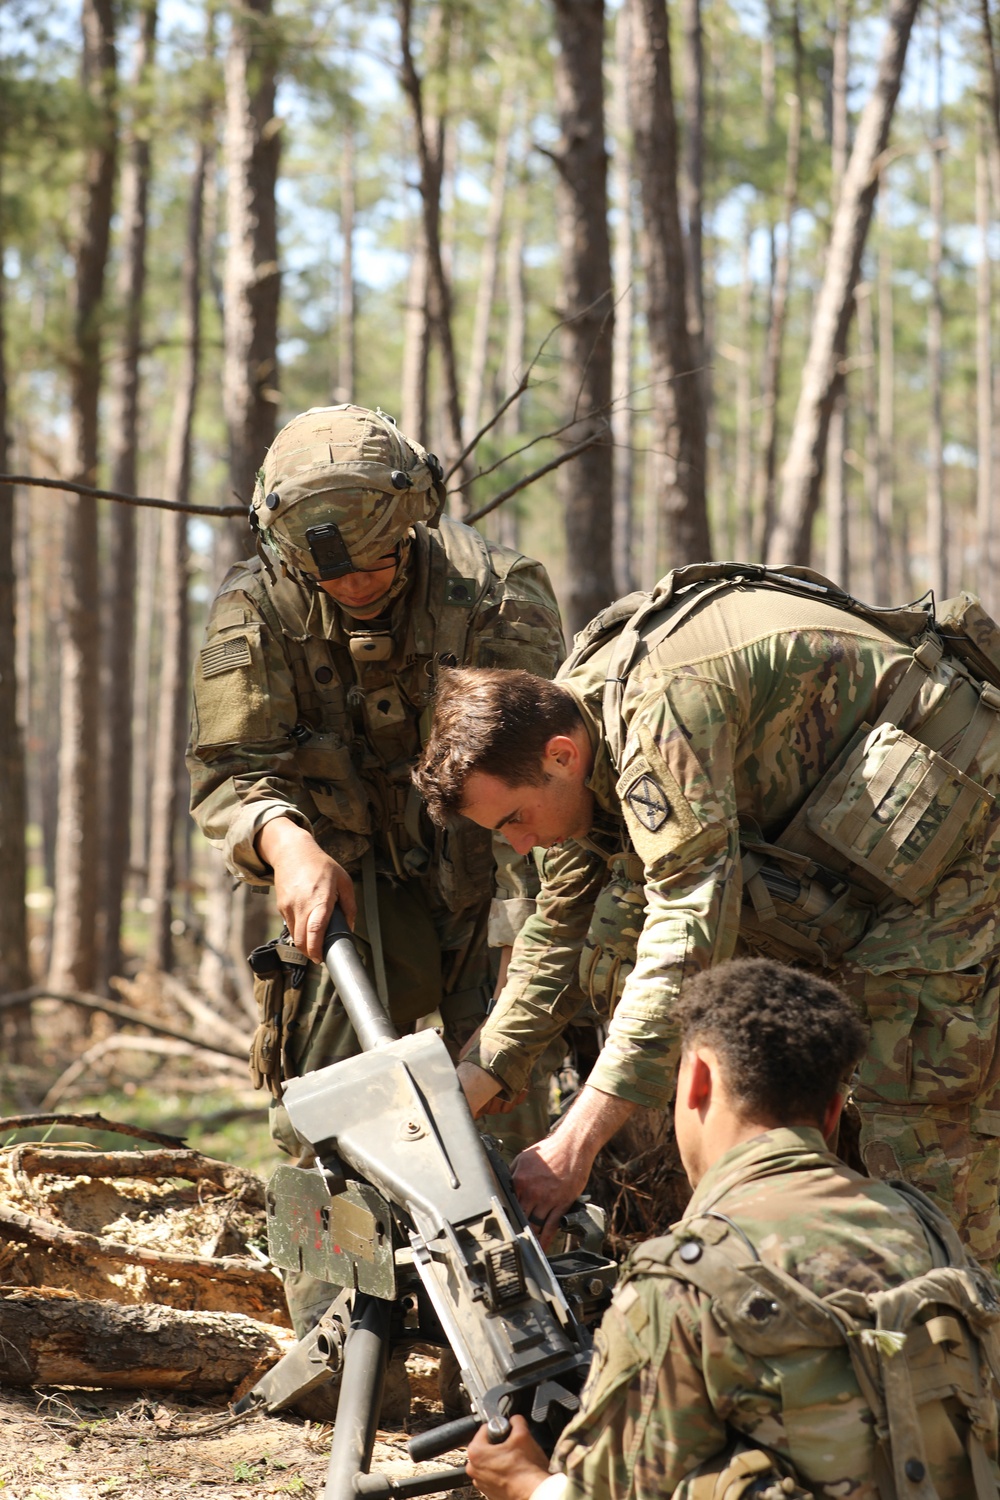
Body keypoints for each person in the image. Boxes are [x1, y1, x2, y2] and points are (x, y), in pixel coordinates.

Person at [413, 562, 1000, 1267]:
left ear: (560, 757)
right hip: (869, 846)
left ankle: (958, 1318)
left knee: (912, 1105)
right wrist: (472, 1086)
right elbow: (556, 928)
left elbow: (687, 926)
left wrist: (577, 1139)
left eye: (515, 818)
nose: (518, 842)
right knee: (619, 956)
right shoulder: (567, 730)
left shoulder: (663, 716)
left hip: (965, 819)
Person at [187, 403, 565, 1333]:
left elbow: (547, 786)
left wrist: (544, 943)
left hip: (493, 881)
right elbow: (236, 773)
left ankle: (531, 1319)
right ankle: (339, 1326)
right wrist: (287, 841)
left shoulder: (498, 593)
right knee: (324, 1098)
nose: (354, 583)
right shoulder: (259, 604)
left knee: (511, 1089)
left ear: (416, 522)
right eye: (329, 571)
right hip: (347, 881)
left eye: (375, 561)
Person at [465, 959, 1000, 1500]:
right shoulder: (929, 1228)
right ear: (835, 1113)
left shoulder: (683, 1276)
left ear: (697, 1078)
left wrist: (525, 1485)